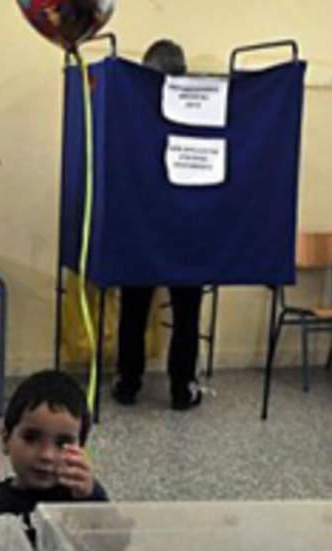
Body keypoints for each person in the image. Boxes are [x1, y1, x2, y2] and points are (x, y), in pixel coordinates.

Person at [111, 38, 204, 411]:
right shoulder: (199, 112)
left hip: (141, 230)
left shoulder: (131, 113)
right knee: (186, 315)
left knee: (134, 311)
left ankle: (128, 383)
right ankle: (182, 387)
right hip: (189, 229)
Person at [0, 370, 107, 543]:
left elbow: (115, 542)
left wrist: (92, 498)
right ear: (6, 439)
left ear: (80, 449)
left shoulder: (81, 498)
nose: (46, 455)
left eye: (62, 443)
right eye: (31, 438)